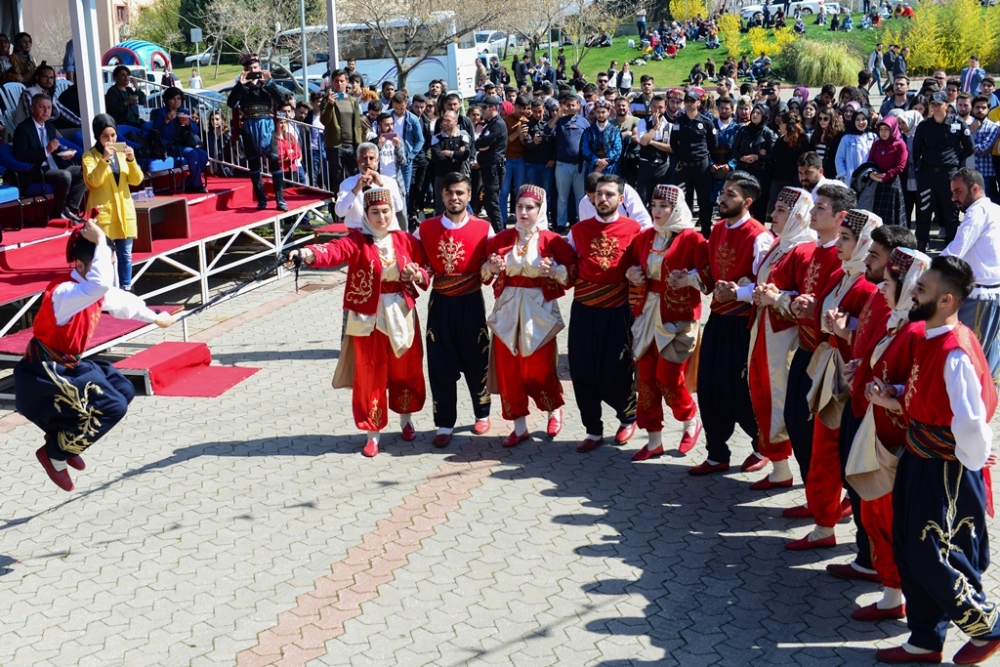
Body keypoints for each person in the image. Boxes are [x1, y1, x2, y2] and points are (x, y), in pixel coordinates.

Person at [868, 255, 1000, 666]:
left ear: (946, 300)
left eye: (921, 289)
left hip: (945, 468)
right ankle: (924, 640)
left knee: (935, 552)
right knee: (909, 547)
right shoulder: (930, 335)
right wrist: (893, 394)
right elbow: (928, 395)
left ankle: (988, 625)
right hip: (920, 456)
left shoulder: (954, 348)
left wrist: (969, 461)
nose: (912, 293)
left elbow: (972, 418)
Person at [14, 217, 175, 491]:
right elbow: (101, 286)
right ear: (79, 265)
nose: (108, 270)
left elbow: (121, 301)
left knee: (122, 389)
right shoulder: (65, 292)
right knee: (113, 407)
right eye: (104, 262)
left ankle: (65, 438)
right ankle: (54, 453)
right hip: (46, 371)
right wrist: (100, 240)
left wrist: (155, 317)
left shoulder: (89, 290)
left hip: (66, 365)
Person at [286, 188, 428, 458]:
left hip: (400, 312)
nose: (381, 216)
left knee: (405, 369)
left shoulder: (407, 240)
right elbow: (333, 251)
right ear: (366, 214)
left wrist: (417, 274)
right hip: (367, 317)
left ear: (392, 212)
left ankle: (406, 419)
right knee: (369, 373)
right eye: (375, 212)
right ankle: (372, 433)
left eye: (385, 211)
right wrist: (306, 254)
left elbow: (426, 267)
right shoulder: (357, 240)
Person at [839, 246, 928, 621]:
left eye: (890, 282)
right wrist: (861, 371)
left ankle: (899, 599)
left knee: (890, 519)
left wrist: (891, 399)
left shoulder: (916, 331)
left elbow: (921, 389)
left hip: (897, 444)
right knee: (877, 515)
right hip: (881, 434)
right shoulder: (898, 321)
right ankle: (892, 593)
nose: (882, 287)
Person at [786, 209, 881, 550]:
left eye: (846, 238)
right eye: (840, 237)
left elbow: (875, 336)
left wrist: (846, 329)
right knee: (824, 447)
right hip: (829, 369)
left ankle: (836, 529)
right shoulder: (845, 274)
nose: (839, 244)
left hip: (847, 376)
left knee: (832, 450)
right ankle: (824, 522)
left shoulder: (868, 285)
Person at [689, 171, 774, 475]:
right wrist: (689, 278)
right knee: (709, 386)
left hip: (742, 325)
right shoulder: (717, 229)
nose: (722, 199)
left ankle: (761, 445)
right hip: (717, 319)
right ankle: (716, 453)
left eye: (730, 195)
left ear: (747, 201)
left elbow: (768, 286)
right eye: (723, 192)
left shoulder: (760, 236)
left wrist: (739, 291)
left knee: (739, 390)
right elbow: (712, 276)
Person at [482, 185, 576, 446]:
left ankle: (553, 408)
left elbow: (572, 273)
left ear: (540, 209)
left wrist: (554, 271)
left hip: (539, 311)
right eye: (519, 206)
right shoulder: (500, 239)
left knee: (539, 367)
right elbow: (482, 274)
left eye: (530, 207)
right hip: (508, 311)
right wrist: (491, 268)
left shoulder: (553, 240)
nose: (523, 212)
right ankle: (519, 425)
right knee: (509, 368)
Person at [626, 184, 708, 460]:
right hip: (648, 314)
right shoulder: (645, 237)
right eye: (654, 205)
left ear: (676, 208)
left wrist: (689, 279)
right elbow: (630, 265)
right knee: (647, 378)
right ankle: (653, 439)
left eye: (664, 206)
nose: (657, 211)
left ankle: (689, 420)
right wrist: (634, 274)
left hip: (679, 317)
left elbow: (707, 277)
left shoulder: (692, 240)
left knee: (668, 376)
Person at [413, 173, 494, 446]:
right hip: (441, 304)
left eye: (460, 192)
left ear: (469, 195)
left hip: (471, 302)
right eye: (449, 193)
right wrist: (416, 274)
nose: (455, 197)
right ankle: (445, 422)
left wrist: (490, 269)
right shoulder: (425, 229)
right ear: (442, 196)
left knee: (477, 358)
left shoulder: (484, 228)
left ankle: (482, 413)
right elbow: (420, 264)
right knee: (439, 363)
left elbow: (488, 267)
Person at [747, 187, 817, 489]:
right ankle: (779, 469)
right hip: (764, 332)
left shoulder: (806, 250)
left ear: (798, 215)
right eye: (774, 209)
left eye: (780, 210)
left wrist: (775, 299)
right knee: (763, 394)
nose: (772, 215)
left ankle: (807, 480)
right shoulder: (780, 243)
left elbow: (807, 300)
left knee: (782, 402)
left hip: (786, 340)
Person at [568, 174, 641, 453]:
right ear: (591, 197)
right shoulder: (578, 230)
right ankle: (593, 429)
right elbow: (568, 265)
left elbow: (643, 266)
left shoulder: (634, 229)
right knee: (582, 369)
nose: (603, 199)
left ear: (621, 199)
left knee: (615, 370)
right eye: (599, 194)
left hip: (617, 309)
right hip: (584, 309)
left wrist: (637, 274)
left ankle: (627, 418)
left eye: (610, 194)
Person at [943, 168, 1000, 383]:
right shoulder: (995, 209)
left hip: (980, 298)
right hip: (990, 294)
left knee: (968, 359)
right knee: (986, 356)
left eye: (958, 191)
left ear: (975, 188)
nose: (953, 197)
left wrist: (924, 268)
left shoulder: (977, 212)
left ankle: (973, 408)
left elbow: (956, 250)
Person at [82, 115, 143, 291]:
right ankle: (105, 295)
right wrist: (104, 160)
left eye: (113, 135)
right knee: (104, 258)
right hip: (104, 215)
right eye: (105, 136)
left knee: (126, 255)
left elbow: (136, 179)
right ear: (97, 137)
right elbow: (93, 181)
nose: (110, 140)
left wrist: (132, 160)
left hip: (124, 212)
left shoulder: (122, 154)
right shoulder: (89, 156)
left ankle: (126, 290)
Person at [912, 92, 974, 250]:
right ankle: (922, 242)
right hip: (927, 174)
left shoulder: (957, 124)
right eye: (933, 105)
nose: (936, 108)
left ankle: (952, 244)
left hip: (949, 175)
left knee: (951, 210)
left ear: (947, 105)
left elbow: (969, 148)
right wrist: (920, 169)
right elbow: (916, 149)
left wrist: (955, 160)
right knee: (924, 209)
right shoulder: (924, 126)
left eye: (939, 104)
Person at [227, 54, 288, 211]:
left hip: (267, 126)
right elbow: (231, 103)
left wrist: (270, 83)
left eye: (255, 68)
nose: (252, 71)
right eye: (249, 69)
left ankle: (280, 200)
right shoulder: (243, 87)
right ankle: (262, 200)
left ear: (260, 69)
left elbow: (282, 101)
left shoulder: (266, 85)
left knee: (274, 161)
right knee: (254, 164)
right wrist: (241, 85)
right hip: (249, 127)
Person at [13, 94, 85, 223]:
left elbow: (54, 149)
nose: (46, 111)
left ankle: (70, 208)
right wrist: (46, 150)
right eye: (42, 107)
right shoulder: (23, 129)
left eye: (49, 107)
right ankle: (57, 213)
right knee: (65, 175)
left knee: (83, 170)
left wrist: (63, 153)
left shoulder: (50, 126)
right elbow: (21, 155)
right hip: (34, 170)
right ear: (32, 108)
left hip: (53, 166)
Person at [670, 89, 717, 233]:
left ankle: (705, 231)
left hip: (701, 167)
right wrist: (683, 155)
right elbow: (673, 143)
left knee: (704, 200)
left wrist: (702, 156)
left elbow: (712, 144)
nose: (689, 104)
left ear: (699, 102)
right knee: (683, 200)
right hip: (684, 168)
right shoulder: (679, 122)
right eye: (687, 101)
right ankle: (684, 231)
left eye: (692, 101)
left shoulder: (706, 122)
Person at [334, 142, 405, 230]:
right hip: (358, 234)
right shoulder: (348, 183)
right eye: (364, 158)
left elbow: (398, 207)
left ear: (377, 160)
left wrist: (382, 186)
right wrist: (356, 190)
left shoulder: (389, 182)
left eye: (371, 158)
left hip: (384, 233)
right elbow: (340, 212)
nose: (368, 162)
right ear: (357, 161)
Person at [150, 87, 208, 194]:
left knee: (203, 155)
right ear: (167, 100)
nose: (176, 101)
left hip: (183, 144)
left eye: (179, 98)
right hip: (167, 146)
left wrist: (189, 123)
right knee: (192, 153)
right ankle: (197, 186)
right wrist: (166, 121)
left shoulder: (183, 111)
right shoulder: (160, 113)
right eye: (173, 98)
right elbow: (156, 132)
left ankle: (189, 182)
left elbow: (196, 130)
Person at [320, 69, 363, 203]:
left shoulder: (352, 101)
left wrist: (359, 146)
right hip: (335, 146)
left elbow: (357, 125)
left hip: (352, 146)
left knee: (355, 176)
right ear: (332, 82)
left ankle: (356, 204)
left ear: (347, 82)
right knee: (337, 178)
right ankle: (339, 209)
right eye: (336, 81)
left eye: (341, 81)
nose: (339, 83)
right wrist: (330, 105)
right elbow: (324, 121)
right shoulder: (328, 101)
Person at [732, 106, 777, 221]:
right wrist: (742, 157)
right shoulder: (743, 130)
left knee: (759, 208)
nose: (755, 115)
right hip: (744, 170)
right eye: (754, 112)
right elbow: (734, 149)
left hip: (761, 174)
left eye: (758, 113)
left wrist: (758, 157)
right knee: (742, 204)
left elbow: (773, 155)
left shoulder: (768, 133)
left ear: (764, 116)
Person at [865, 115, 908, 226]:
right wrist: (871, 173)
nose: (883, 133)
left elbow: (900, 167)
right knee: (876, 217)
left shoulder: (900, 145)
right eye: (881, 129)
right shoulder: (877, 143)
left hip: (892, 185)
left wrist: (885, 177)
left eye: (886, 130)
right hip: (876, 184)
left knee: (891, 219)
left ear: (893, 129)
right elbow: (870, 162)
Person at [14, 62, 81, 130]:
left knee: (81, 132)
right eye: (45, 77)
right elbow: (33, 118)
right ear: (37, 78)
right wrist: (52, 131)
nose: (48, 80)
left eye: (51, 77)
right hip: (29, 133)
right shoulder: (29, 93)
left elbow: (64, 112)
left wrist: (81, 123)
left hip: (48, 129)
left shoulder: (49, 94)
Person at [475, 96, 507, 233]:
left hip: (494, 168)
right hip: (486, 167)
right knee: (488, 202)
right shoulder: (489, 123)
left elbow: (482, 142)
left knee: (492, 203)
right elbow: (479, 143)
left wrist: (481, 145)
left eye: (484, 108)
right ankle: (495, 231)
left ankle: (500, 233)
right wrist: (480, 145)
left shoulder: (497, 125)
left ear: (492, 108)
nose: (481, 110)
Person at [430, 111, 472, 214]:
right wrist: (457, 157)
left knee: (461, 204)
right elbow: (438, 158)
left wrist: (450, 153)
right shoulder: (436, 138)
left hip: (459, 176)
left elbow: (466, 155)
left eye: (448, 120)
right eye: (443, 120)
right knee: (441, 206)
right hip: (441, 176)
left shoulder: (463, 136)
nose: (444, 123)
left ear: (455, 121)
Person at [581, 99, 622, 177]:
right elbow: (584, 149)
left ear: (608, 112)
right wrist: (596, 161)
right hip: (593, 166)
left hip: (610, 168)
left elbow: (617, 149)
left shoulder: (615, 131)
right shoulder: (588, 131)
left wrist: (603, 164)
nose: (600, 115)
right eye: (598, 112)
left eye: (603, 112)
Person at [835, 108, 876, 184]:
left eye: (863, 119)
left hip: (870, 179)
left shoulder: (873, 137)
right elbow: (839, 158)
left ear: (868, 119)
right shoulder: (846, 138)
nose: (860, 122)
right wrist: (844, 175)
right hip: (852, 180)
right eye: (857, 119)